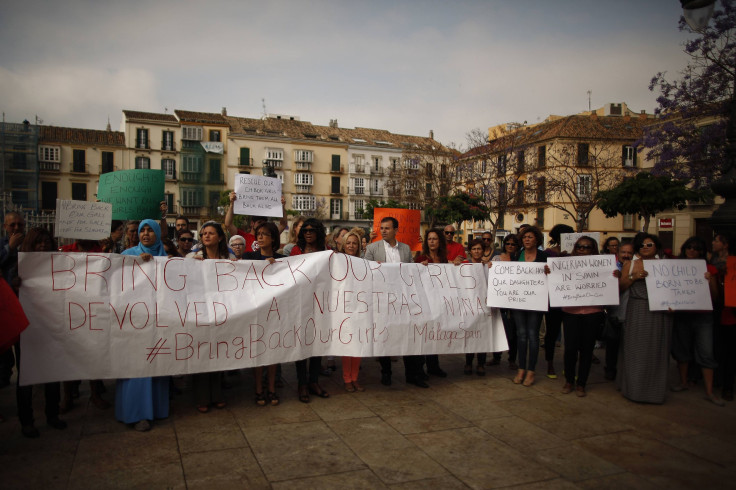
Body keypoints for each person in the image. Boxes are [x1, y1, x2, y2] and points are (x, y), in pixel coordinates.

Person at [118, 220, 171, 430]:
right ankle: (136, 413)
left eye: (150, 230)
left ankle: (156, 409)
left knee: (157, 365)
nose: (146, 234)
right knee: (137, 367)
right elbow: (118, 282)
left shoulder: (165, 257)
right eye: (142, 231)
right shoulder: (128, 255)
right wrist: (137, 265)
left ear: (158, 234)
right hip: (135, 321)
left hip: (160, 320)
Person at [15, 228, 67, 438]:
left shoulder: (59, 266)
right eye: (39, 242)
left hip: (51, 327)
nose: (43, 246)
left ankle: (52, 415)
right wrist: (14, 285)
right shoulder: (17, 265)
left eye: (46, 242)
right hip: (27, 329)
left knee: (52, 373)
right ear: (31, 244)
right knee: (26, 376)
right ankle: (26, 421)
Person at [364, 217, 427, 387]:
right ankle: (386, 372)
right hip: (382, 299)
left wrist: (421, 266)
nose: (383, 231)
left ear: (395, 230)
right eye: (381, 228)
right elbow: (364, 272)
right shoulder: (372, 248)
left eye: (387, 228)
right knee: (385, 336)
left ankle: (411, 374)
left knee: (407, 336)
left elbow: (411, 269)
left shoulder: (406, 249)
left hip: (403, 299)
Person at [618, 233, 672, 404]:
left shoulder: (666, 265)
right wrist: (635, 277)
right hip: (638, 308)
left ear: (656, 246)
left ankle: (654, 391)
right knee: (635, 349)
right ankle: (633, 389)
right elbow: (621, 287)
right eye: (642, 245)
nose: (645, 248)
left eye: (649, 245)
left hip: (660, 311)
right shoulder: (630, 264)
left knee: (657, 349)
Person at [669, 236, 723, 405]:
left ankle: (709, 391)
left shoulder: (710, 269)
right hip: (682, 314)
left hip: (703, 316)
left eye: (696, 248)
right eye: (689, 247)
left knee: (706, 352)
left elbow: (714, 297)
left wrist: (710, 281)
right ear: (684, 249)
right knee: (682, 350)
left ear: (701, 251)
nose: (692, 250)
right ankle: (683, 382)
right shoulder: (674, 267)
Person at [187, 221, 234, 412]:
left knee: (217, 354)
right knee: (202, 355)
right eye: (203, 233)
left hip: (220, 312)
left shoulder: (228, 258)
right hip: (200, 312)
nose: (206, 236)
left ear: (220, 237)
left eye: (211, 233)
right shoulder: (193, 257)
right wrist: (191, 265)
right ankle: (202, 398)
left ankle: (217, 394)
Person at [560, 236, 613, 397]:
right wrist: (550, 272)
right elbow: (556, 282)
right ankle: (569, 380)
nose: (583, 250)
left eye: (587, 247)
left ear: (593, 249)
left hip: (592, 312)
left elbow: (609, 285)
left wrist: (614, 276)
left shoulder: (602, 266)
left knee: (587, 350)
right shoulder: (565, 265)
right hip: (570, 312)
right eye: (580, 247)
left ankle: (582, 383)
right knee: (570, 349)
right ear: (575, 248)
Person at [243, 222, 284, 406]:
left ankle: (272, 388)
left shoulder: (282, 259)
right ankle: (259, 389)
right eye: (258, 234)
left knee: (273, 354)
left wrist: (276, 267)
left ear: (273, 238)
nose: (259, 237)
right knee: (258, 353)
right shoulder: (248, 257)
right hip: (255, 312)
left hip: (275, 313)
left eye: (264, 234)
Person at [289, 218, 330, 402]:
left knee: (317, 344)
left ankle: (314, 381)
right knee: (301, 344)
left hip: (320, 304)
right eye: (305, 230)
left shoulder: (327, 252)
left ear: (318, 233)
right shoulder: (295, 251)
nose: (308, 232)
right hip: (300, 303)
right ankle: (302, 383)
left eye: (312, 230)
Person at [512, 226, 548, 387]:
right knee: (521, 334)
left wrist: (549, 272)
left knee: (533, 335)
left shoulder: (543, 257)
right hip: (518, 301)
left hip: (536, 301)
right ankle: (521, 368)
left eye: (530, 237)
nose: (527, 239)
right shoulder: (516, 255)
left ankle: (531, 370)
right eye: (525, 237)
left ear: (537, 240)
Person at [415, 228, 448, 379]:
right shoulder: (420, 258)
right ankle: (420, 368)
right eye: (429, 239)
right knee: (424, 335)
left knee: (435, 335)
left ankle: (433, 366)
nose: (432, 241)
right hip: (424, 302)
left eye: (435, 239)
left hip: (438, 301)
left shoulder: (444, 259)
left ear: (439, 241)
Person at [542, 224, 574, 380]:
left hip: (571, 299)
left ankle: (569, 365)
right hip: (553, 299)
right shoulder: (549, 253)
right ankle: (550, 362)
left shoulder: (577, 254)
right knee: (552, 333)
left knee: (571, 335)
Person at [603, 240, 634, 381]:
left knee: (628, 345)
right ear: (618, 253)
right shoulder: (610, 267)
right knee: (612, 343)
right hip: (614, 311)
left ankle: (626, 372)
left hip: (631, 312)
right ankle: (610, 369)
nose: (626, 255)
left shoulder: (638, 267)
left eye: (629, 253)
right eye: (623, 252)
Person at [0, 211, 25, 387]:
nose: (16, 228)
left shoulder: (30, 245)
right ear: (5, 227)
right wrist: (10, 247)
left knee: (25, 353)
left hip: (25, 307)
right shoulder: (2, 245)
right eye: (12, 225)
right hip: (5, 309)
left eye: (20, 225)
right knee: (4, 358)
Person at [340, 230, 367, 392]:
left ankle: (355, 378)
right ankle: (347, 379)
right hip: (343, 308)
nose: (351, 245)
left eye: (354, 243)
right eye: (348, 243)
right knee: (346, 346)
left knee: (358, 345)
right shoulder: (338, 260)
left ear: (358, 246)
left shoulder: (364, 262)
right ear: (344, 245)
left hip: (360, 308)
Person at [711, 233, 736, 401]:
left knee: (730, 352)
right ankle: (719, 380)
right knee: (719, 349)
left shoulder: (732, 264)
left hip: (730, 312)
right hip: (717, 309)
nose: (713, 243)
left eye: (717, 240)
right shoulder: (711, 262)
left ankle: (728, 386)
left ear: (725, 245)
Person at [491, 234, 520, 371]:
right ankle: (496, 357)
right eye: (508, 243)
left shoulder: (521, 260)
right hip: (500, 302)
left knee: (513, 333)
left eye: (513, 244)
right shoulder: (496, 259)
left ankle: (512, 359)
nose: (510, 246)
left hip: (515, 302)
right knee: (499, 331)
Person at [464, 238, 488, 375]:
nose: (477, 251)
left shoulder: (488, 266)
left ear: (483, 251)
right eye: (474, 249)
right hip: (469, 306)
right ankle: (468, 362)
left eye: (479, 249)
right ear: (470, 251)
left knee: (483, 335)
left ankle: (481, 364)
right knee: (470, 335)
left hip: (484, 306)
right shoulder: (464, 265)